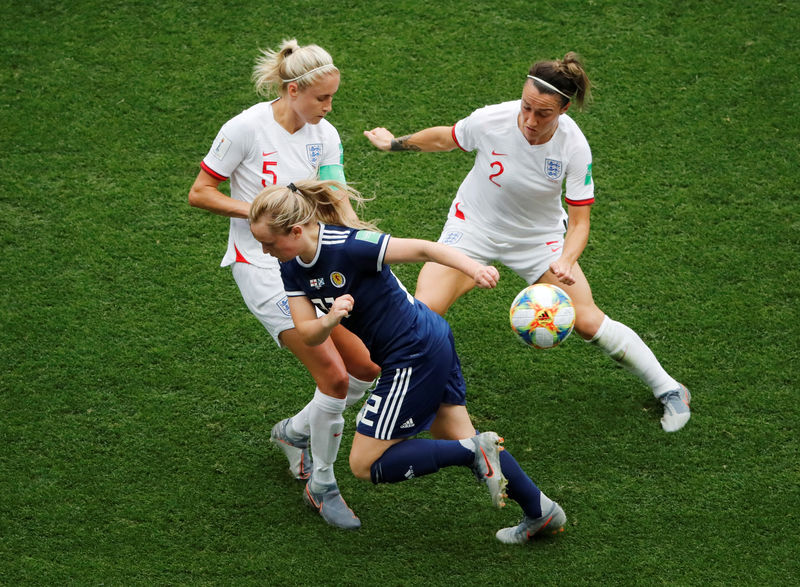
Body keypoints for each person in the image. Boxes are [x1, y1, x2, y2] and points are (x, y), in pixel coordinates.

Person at [363, 52, 691, 433]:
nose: (530, 121)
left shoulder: (573, 147)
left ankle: (670, 389)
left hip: (538, 239)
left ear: (564, 109)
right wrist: (394, 144)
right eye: (526, 107)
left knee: (586, 321)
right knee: (424, 312)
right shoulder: (492, 120)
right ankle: (393, 390)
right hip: (474, 227)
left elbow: (580, 221)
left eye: (543, 114)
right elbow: (447, 137)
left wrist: (566, 261)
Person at [248, 179, 567, 544]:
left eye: (269, 242)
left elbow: (422, 249)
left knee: (364, 463)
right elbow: (308, 333)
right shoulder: (291, 266)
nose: (264, 250)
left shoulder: (348, 246)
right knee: (458, 435)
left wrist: (472, 268)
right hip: (428, 340)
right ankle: (541, 511)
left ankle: (473, 454)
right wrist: (330, 319)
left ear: (295, 230)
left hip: (412, 353)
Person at [188, 39, 380, 529]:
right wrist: (262, 213)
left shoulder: (325, 134)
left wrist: (362, 242)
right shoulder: (245, 129)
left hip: (313, 261)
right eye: (322, 98)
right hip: (261, 264)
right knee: (334, 378)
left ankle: (294, 432)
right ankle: (322, 485)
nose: (329, 107)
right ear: (293, 90)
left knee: (364, 366)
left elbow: (337, 197)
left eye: (332, 98)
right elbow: (200, 192)